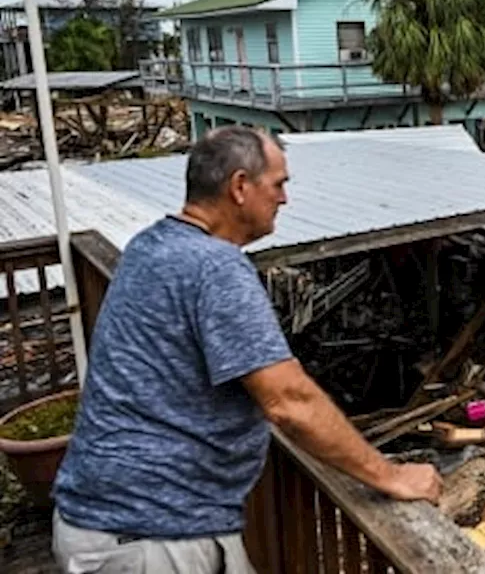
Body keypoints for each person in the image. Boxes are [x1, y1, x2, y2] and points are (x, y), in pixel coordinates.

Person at [52, 126, 441, 573]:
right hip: (150, 533)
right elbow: (288, 400)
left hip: (119, 522)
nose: (284, 199)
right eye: (278, 184)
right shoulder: (215, 267)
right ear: (240, 186)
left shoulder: (151, 246)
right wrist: (390, 476)